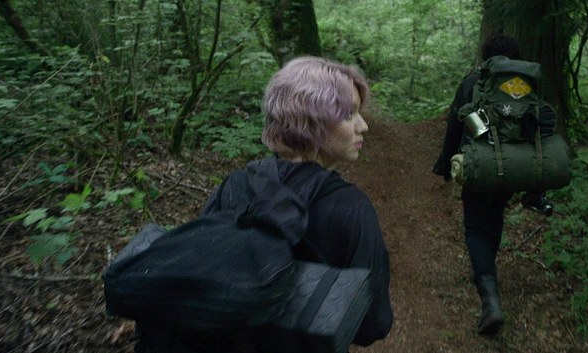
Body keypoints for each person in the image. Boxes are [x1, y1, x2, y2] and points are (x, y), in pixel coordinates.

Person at [135, 56, 393, 352]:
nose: (364, 126)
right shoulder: (352, 208)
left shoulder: (235, 185)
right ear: (312, 121)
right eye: (349, 114)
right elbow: (373, 324)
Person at [433, 33, 553, 336]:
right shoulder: (525, 86)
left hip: (479, 165)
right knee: (495, 215)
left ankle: (490, 299)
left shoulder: (473, 82)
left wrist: (445, 164)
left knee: (475, 228)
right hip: (512, 166)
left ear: (486, 56)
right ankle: (488, 269)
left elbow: (454, 126)